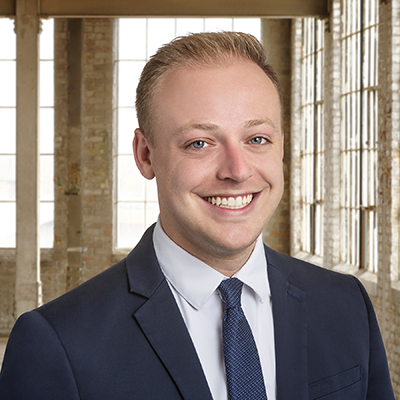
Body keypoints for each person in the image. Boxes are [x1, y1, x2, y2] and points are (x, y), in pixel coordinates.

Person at [0, 32, 394, 400]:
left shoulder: (346, 305)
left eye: (257, 139)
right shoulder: (58, 343)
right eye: (199, 143)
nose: (237, 171)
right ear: (145, 154)